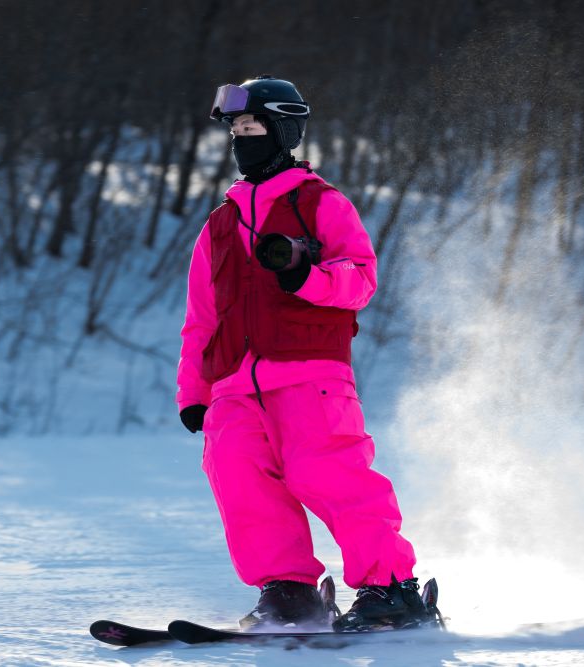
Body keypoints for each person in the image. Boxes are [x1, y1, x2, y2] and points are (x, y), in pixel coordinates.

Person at [176, 75, 426, 631]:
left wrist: (305, 274)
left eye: (253, 128)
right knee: (237, 476)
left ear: (284, 131)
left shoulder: (321, 203)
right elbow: (201, 320)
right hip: (233, 384)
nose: (243, 140)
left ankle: (392, 589)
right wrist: (194, 392)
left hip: (308, 373)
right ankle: (288, 591)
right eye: (237, 131)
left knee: (326, 473)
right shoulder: (219, 224)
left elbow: (360, 279)